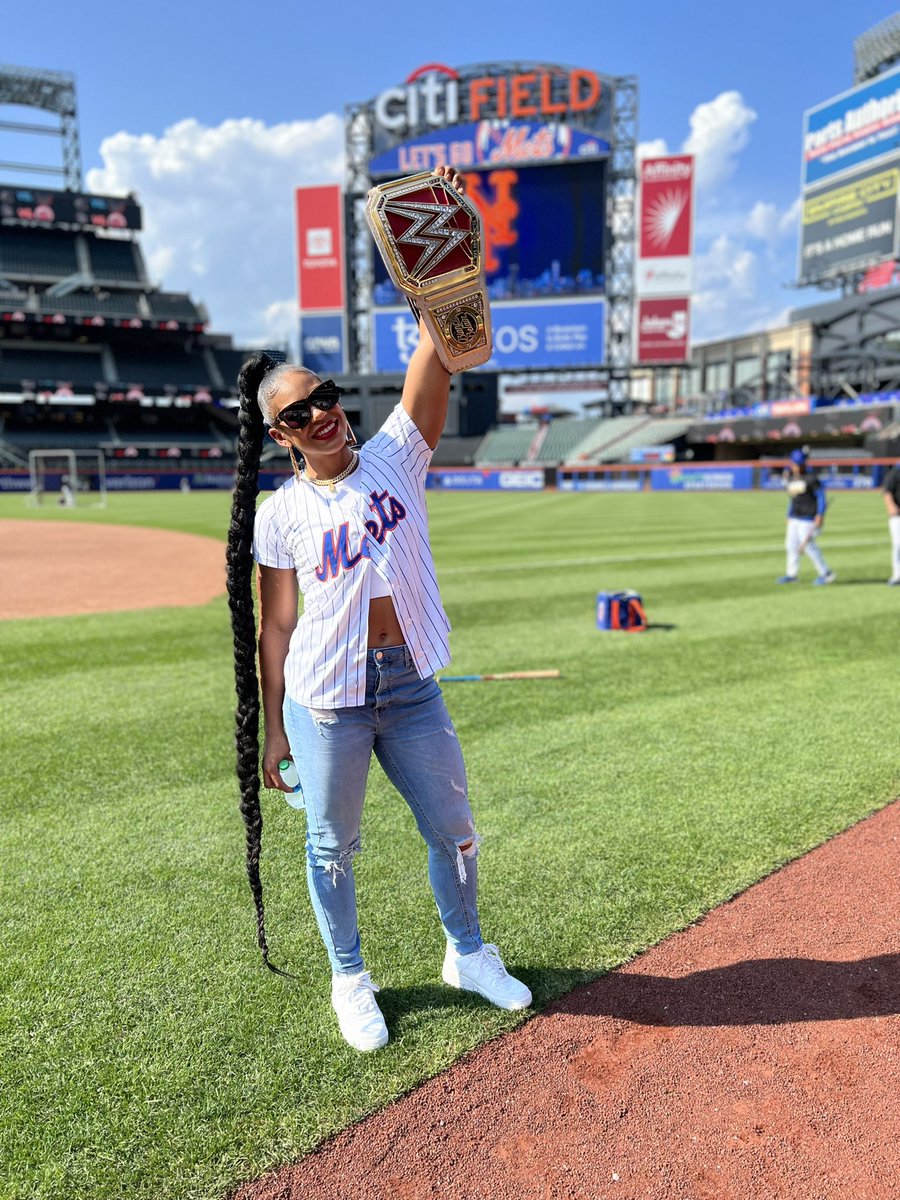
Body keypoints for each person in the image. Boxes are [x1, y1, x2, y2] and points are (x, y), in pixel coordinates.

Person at [225, 166, 531, 1053]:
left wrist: (442, 260)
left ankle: (467, 954)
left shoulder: (397, 453)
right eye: (301, 411)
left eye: (326, 396)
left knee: (456, 830)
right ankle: (349, 977)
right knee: (331, 849)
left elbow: (440, 342)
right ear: (279, 436)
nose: (323, 412)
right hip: (326, 699)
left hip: (411, 688)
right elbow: (275, 625)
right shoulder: (280, 516)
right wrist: (277, 729)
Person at [777, 449, 836, 586]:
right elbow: (793, 499)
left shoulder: (812, 479)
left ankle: (826, 573)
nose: (796, 466)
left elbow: (821, 497)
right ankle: (792, 575)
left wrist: (820, 514)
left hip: (808, 518)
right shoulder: (791, 479)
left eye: (799, 464)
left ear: (804, 464)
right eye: (795, 464)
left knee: (809, 546)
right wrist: (789, 513)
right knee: (790, 545)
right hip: (795, 517)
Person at [882, 460, 900, 585]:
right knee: (898, 545)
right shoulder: (895, 472)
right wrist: (891, 506)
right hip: (897, 515)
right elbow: (887, 492)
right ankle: (897, 575)